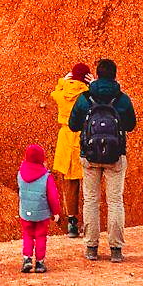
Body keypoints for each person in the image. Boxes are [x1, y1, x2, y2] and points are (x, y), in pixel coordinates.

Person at [68, 57, 136, 262]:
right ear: (115, 75)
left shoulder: (85, 98)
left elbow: (73, 125)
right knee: (115, 201)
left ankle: (91, 247)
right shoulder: (122, 98)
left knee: (91, 201)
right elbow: (131, 125)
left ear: (96, 75)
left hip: (89, 156)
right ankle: (116, 249)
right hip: (115, 156)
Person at [48, 62, 91, 237]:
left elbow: (54, 93)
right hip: (84, 138)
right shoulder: (87, 94)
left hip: (66, 139)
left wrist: (62, 82)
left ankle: (72, 223)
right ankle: (89, 223)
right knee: (89, 182)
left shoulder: (62, 93)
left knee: (70, 185)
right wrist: (93, 83)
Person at [16, 143, 62, 273]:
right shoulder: (46, 177)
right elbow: (53, 196)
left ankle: (27, 259)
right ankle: (40, 263)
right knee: (41, 236)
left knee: (27, 235)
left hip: (25, 211)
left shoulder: (20, 174)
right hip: (42, 214)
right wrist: (56, 212)